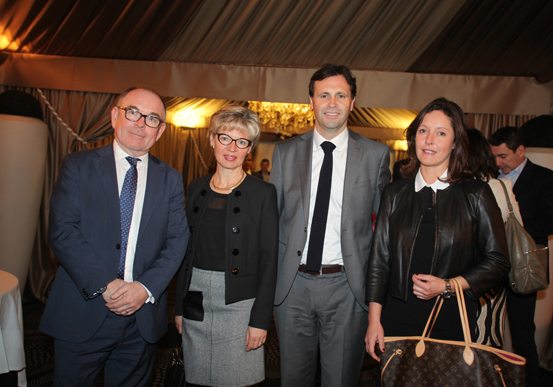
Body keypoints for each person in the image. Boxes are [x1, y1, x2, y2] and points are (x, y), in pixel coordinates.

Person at [40, 87, 189, 386]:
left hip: (141, 318)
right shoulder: (78, 166)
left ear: (160, 131)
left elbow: (177, 241)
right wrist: (106, 285)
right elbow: (63, 230)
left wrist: (143, 288)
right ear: (114, 116)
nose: (140, 123)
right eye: (133, 112)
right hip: (83, 310)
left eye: (152, 119)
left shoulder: (171, 179)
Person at [365, 98, 510, 370]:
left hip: (450, 316)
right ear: (414, 137)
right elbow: (379, 261)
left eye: (441, 133)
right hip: (397, 317)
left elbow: (498, 261)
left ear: (455, 143)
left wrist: (447, 285)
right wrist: (374, 321)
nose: (429, 140)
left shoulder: (475, 194)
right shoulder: (394, 193)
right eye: (423, 131)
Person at [270, 64, 391, 387]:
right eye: (324, 95)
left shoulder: (376, 155)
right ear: (311, 100)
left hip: (346, 288)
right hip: (292, 287)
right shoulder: (284, 153)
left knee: (340, 380)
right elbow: (272, 222)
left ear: (353, 102)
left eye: (341, 95)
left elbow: (385, 232)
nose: (333, 103)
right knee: (293, 379)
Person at [175, 105, 278, 387]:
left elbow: (270, 261)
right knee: (197, 378)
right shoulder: (195, 188)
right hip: (195, 298)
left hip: (239, 303)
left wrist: (260, 320)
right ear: (212, 139)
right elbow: (186, 253)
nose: (232, 147)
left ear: (250, 148)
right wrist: (179, 308)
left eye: (241, 141)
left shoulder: (263, 193)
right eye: (225, 138)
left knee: (237, 379)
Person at [489, 126, 553, 387]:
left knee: (522, 333)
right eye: (494, 157)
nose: (498, 163)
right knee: (486, 332)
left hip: (523, 267)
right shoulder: (491, 178)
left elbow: (549, 224)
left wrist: (510, 224)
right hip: (490, 266)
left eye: (503, 157)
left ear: (521, 151)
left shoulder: (547, 179)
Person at [467, 128, 523, 348]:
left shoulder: (455, 187)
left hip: (463, 276)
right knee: (487, 341)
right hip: (493, 277)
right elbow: (518, 227)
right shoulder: (501, 185)